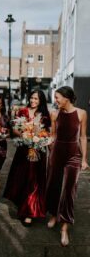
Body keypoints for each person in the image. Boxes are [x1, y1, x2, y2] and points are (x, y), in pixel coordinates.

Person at [46, 86, 88, 246]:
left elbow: (83, 137)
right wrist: (41, 142)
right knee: (53, 185)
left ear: (66, 98)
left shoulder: (81, 113)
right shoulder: (54, 114)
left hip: (73, 155)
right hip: (56, 153)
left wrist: (84, 159)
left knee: (70, 189)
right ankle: (54, 215)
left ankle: (64, 226)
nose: (55, 100)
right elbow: (53, 135)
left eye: (57, 97)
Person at [3, 90, 51, 226]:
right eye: (31, 98)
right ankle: (22, 204)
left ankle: (29, 212)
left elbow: (47, 133)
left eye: (36, 98)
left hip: (38, 151)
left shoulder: (45, 115)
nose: (33, 101)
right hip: (23, 150)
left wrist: (39, 137)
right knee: (22, 178)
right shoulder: (22, 111)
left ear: (41, 100)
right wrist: (24, 134)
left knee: (34, 180)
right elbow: (15, 129)